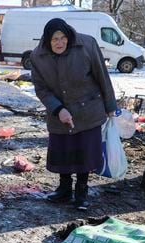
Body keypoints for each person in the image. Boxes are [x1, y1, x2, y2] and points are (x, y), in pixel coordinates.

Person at [30, 18, 117, 210]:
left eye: (63, 38)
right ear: (47, 40)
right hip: (59, 113)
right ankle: (64, 189)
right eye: (54, 40)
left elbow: (102, 76)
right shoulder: (38, 56)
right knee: (64, 152)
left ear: (68, 36)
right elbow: (41, 89)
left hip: (88, 110)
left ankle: (81, 192)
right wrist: (58, 109)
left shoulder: (87, 45)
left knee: (84, 152)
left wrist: (110, 105)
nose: (59, 43)